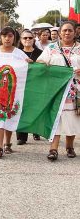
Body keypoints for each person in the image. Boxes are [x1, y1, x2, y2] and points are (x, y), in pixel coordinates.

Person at [37, 21, 80, 161]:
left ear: (75, 32)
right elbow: (40, 62)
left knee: (73, 118)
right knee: (57, 118)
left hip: (75, 89)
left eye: (70, 30)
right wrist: (44, 63)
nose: (67, 33)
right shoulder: (51, 48)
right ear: (59, 33)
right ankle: (53, 149)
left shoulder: (79, 48)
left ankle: (70, 146)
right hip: (57, 89)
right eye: (64, 30)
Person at [0, 27, 30, 158]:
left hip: (13, 91)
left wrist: (30, 64)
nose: (7, 38)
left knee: (10, 116)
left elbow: (28, 69)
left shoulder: (20, 53)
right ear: (1, 37)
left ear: (14, 38)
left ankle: (8, 143)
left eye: (10, 36)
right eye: (5, 36)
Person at [15, 29, 43, 145]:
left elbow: (45, 68)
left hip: (36, 85)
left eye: (30, 38)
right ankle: (21, 136)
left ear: (34, 39)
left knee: (35, 109)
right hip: (20, 85)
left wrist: (35, 64)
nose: (27, 40)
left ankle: (35, 130)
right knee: (20, 109)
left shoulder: (40, 52)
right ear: (20, 40)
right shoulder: (16, 53)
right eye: (25, 38)